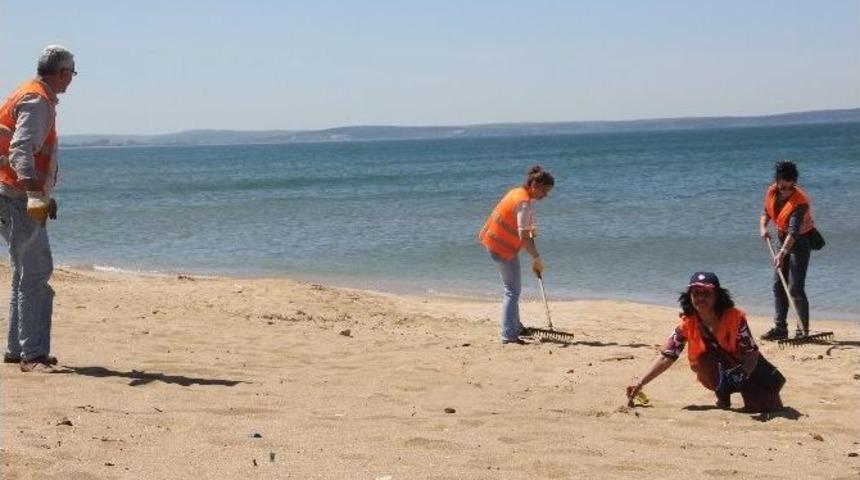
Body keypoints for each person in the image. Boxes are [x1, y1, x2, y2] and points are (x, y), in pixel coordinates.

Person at [0, 45, 77, 372]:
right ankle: (33, 354)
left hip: (9, 192)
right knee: (35, 273)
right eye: (71, 73)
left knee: (24, 272)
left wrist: (43, 193)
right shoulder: (38, 100)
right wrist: (35, 195)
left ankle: (18, 349)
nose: (71, 79)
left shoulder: (25, 94)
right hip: (16, 196)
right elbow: (21, 151)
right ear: (61, 73)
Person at [626, 272, 782, 412]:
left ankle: (752, 393)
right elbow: (667, 356)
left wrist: (744, 373)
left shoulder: (735, 318)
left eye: (707, 293)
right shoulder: (687, 324)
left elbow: (751, 353)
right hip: (717, 372)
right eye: (696, 293)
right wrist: (640, 383)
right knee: (704, 359)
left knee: (765, 407)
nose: (700, 298)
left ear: (717, 296)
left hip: (746, 369)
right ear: (689, 297)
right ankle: (722, 394)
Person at [478, 165, 554, 344]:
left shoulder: (518, 193)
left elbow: (527, 233)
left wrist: (534, 247)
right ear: (534, 185)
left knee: (513, 290)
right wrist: (536, 258)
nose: (545, 195)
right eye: (544, 191)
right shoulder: (523, 202)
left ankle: (515, 327)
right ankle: (508, 334)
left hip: (496, 243)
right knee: (512, 291)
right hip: (501, 248)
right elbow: (523, 236)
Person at [759, 161, 816, 341]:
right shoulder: (772, 191)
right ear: (777, 181)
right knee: (778, 284)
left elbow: (794, 232)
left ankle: (802, 330)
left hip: (800, 242)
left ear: (794, 183)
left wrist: (782, 253)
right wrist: (763, 227)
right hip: (782, 238)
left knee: (795, 287)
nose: (785, 191)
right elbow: (766, 213)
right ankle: (780, 328)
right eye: (782, 187)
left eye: (789, 188)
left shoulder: (800, 202)